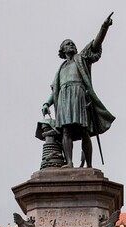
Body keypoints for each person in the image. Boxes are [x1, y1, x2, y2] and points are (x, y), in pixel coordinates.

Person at [40, 13, 115, 168]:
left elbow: (95, 44)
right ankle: (69, 162)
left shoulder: (81, 58)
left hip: (79, 95)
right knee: (66, 130)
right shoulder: (61, 69)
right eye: (68, 44)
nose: (72, 45)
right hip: (64, 98)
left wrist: (104, 27)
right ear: (62, 50)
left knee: (84, 130)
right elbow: (55, 90)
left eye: (73, 43)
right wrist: (47, 103)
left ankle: (88, 165)